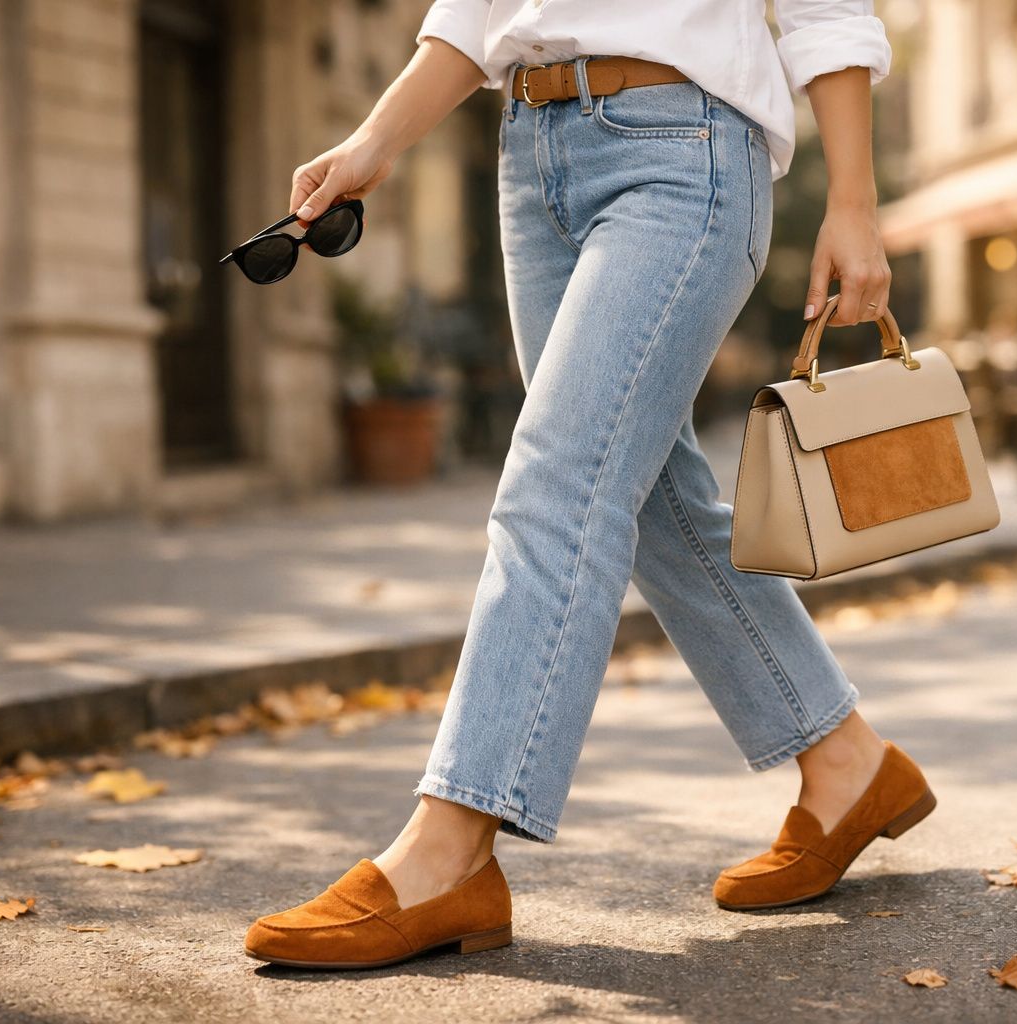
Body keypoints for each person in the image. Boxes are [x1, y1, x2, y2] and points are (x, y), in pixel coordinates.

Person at [244, 0, 938, 970]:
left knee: (557, 487)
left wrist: (854, 202)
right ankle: (846, 761)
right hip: (531, 157)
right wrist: (376, 140)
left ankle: (450, 847)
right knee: (649, 495)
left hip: (682, 148)